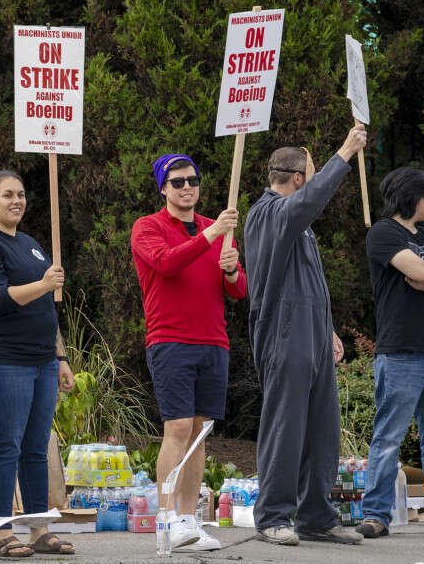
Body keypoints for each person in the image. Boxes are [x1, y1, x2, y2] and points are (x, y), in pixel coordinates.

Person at [243, 125, 368, 546]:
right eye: (311, 174)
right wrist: (346, 152)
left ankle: (316, 515)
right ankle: (273, 516)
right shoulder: (270, 213)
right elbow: (309, 203)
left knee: (322, 430)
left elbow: (306, 281)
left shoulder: (295, 221)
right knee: (287, 425)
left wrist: (328, 328)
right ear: (298, 179)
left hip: (311, 332)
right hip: (284, 332)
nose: (313, 182)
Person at [0, 170, 76, 558]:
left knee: (36, 447)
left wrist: (59, 357)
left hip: (41, 361)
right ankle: (2, 533)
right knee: (6, 445)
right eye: (8, 194)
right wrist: (44, 284)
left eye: (21, 194)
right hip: (1, 360)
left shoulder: (29, 244)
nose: (17, 201)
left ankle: (39, 529)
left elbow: (45, 309)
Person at [130, 154, 246, 551]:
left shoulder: (216, 229)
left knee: (199, 435)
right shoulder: (148, 227)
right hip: (170, 339)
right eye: (177, 182)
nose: (186, 188)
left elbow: (238, 290)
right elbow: (167, 263)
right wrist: (212, 236)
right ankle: (165, 519)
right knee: (178, 428)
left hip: (213, 341)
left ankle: (188, 520)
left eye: (192, 180)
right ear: (163, 188)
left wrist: (231, 269)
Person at [356, 167, 424, 539]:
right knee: (389, 437)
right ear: (414, 196)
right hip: (400, 352)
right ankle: (376, 514)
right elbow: (416, 272)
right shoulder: (383, 232)